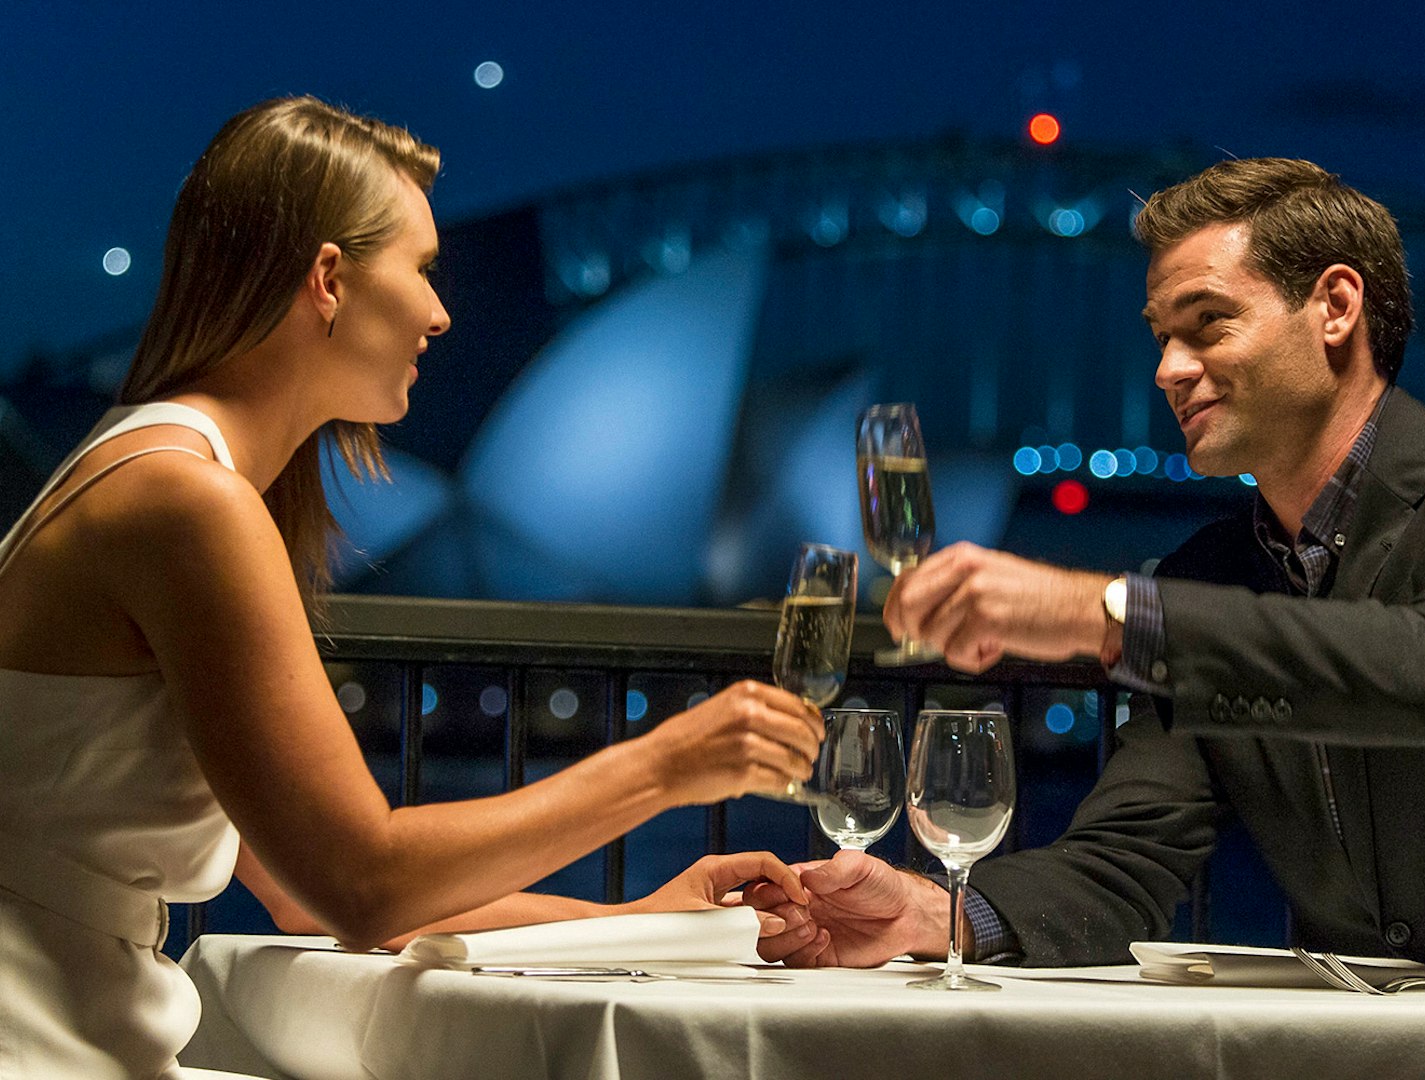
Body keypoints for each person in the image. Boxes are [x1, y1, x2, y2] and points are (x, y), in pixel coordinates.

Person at [0, 96, 822, 1078]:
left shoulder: (156, 468)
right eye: (424, 269)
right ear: (329, 280)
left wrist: (635, 918)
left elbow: (306, 889)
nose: (441, 312)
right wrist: (665, 768)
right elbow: (360, 884)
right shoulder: (187, 502)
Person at [751, 157, 1425, 991]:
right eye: (1162, 336)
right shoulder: (1211, 572)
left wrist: (1108, 614)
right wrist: (932, 914)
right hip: (1368, 1053)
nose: (1168, 368)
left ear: (1335, 307)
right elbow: (1125, 860)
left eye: (1208, 323)